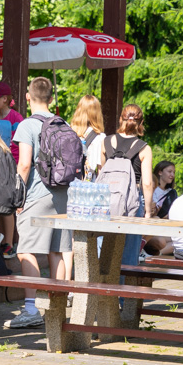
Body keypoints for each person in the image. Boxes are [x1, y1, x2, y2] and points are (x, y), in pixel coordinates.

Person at [5, 77, 71, 329]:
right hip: (63, 193)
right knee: (57, 250)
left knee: (25, 250)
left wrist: (17, 196)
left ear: (27, 97)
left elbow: (24, 164)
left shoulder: (26, 125)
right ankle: (57, 307)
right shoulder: (61, 122)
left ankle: (31, 308)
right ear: (52, 98)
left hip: (36, 193)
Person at [100, 104, 154, 267]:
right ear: (141, 122)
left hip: (106, 201)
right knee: (129, 253)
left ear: (120, 119)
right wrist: (148, 212)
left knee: (103, 247)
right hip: (132, 201)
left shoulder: (106, 142)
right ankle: (123, 291)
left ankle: (100, 289)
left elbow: (102, 172)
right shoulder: (144, 148)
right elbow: (147, 182)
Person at [65, 94, 105, 278]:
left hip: (70, 190)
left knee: (71, 240)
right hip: (91, 193)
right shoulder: (100, 138)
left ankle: (68, 282)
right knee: (91, 240)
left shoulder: (68, 131)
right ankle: (87, 280)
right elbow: (100, 169)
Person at [0, 81, 24, 260]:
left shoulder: (16, 119)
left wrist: (15, 167)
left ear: (4, 99)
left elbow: (19, 147)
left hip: (10, 166)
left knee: (7, 205)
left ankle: (8, 243)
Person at [143, 161, 177, 255]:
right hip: (152, 225)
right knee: (161, 240)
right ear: (160, 172)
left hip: (165, 226)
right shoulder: (151, 188)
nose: (172, 175)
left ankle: (153, 254)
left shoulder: (172, 193)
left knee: (181, 240)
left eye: (173, 172)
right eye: (169, 171)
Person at [70, 95, 105, 181]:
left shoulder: (70, 133)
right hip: (89, 185)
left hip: (71, 183)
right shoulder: (100, 138)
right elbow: (101, 169)